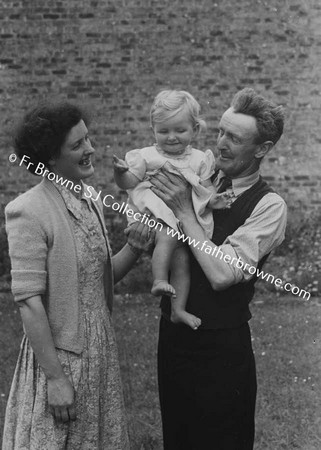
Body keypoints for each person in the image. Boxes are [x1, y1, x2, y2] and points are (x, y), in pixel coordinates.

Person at [2, 103, 152, 449]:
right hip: (60, 355)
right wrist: (55, 378)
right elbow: (28, 302)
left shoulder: (90, 201)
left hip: (99, 351)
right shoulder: (27, 210)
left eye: (88, 139)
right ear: (51, 159)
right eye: (77, 145)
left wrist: (135, 246)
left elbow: (96, 282)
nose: (91, 150)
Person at [151, 87, 287, 449]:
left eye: (235, 138)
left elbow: (222, 275)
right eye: (221, 132)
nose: (222, 144)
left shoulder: (269, 206)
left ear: (262, 149)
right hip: (175, 339)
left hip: (222, 351)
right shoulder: (203, 175)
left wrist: (183, 212)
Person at [113, 89, 232, 330]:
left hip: (183, 219)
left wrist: (214, 201)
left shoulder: (199, 159)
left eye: (180, 130)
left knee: (182, 261)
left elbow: (205, 189)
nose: (171, 137)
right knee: (166, 235)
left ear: (195, 130)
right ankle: (158, 280)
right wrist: (120, 173)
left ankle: (178, 310)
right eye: (164, 131)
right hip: (154, 214)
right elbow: (129, 183)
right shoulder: (146, 156)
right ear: (153, 130)